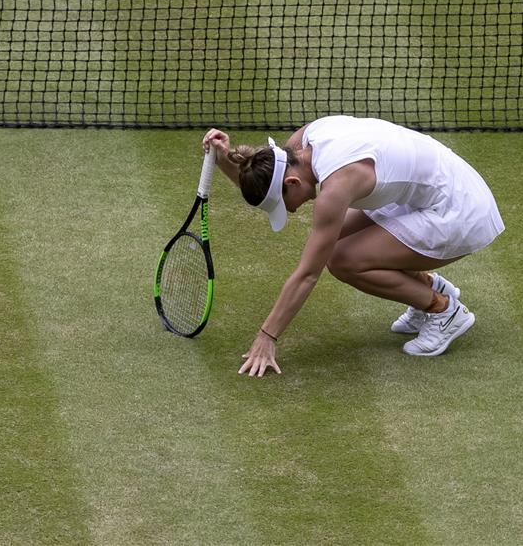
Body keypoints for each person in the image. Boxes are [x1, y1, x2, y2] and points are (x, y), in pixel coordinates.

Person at [202, 116, 504, 377]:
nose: (291, 211)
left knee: (342, 260)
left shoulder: (337, 188)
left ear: (292, 183)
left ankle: (443, 310)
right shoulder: (300, 144)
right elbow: (263, 179)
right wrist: (225, 158)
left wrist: (267, 336)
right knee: (337, 243)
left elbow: (308, 274)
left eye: (285, 205)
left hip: (461, 210)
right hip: (430, 190)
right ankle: (427, 289)